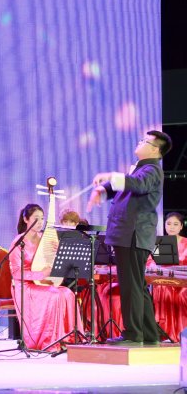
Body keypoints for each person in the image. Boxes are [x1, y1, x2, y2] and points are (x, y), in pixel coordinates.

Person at [87, 130, 171, 345]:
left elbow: (137, 184)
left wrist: (110, 176)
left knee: (131, 286)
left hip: (133, 235)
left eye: (145, 141)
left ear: (155, 150)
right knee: (137, 286)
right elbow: (126, 185)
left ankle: (133, 334)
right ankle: (149, 334)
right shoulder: (141, 169)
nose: (140, 142)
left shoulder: (152, 170)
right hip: (130, 235)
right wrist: (102, 189)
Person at [9, 204, 80, 351]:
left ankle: (68, 339)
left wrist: (59, 251)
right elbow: (16, 273)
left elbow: (53, 262)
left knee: (68, 293)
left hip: (42, 283)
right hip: (25, 286)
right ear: (26, 219)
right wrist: (41, 274)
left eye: (42, 218)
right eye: (36, 218)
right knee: (55, 295)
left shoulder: (44, 239)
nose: (40, 222)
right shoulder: (18, 242)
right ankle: (50, 340)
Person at [148, 212, 187, 342]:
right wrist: (155, 266)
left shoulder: (186, 243)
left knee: (181, 294)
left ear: (181, 226)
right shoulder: (160, 242)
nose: (172, 227)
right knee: (161, 287)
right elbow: (150, 260)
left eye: (175, 224)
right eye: (168, 224)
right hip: (165, 280)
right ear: (164, 225)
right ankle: (165, 332)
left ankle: (180, 333)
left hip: (183, 282)